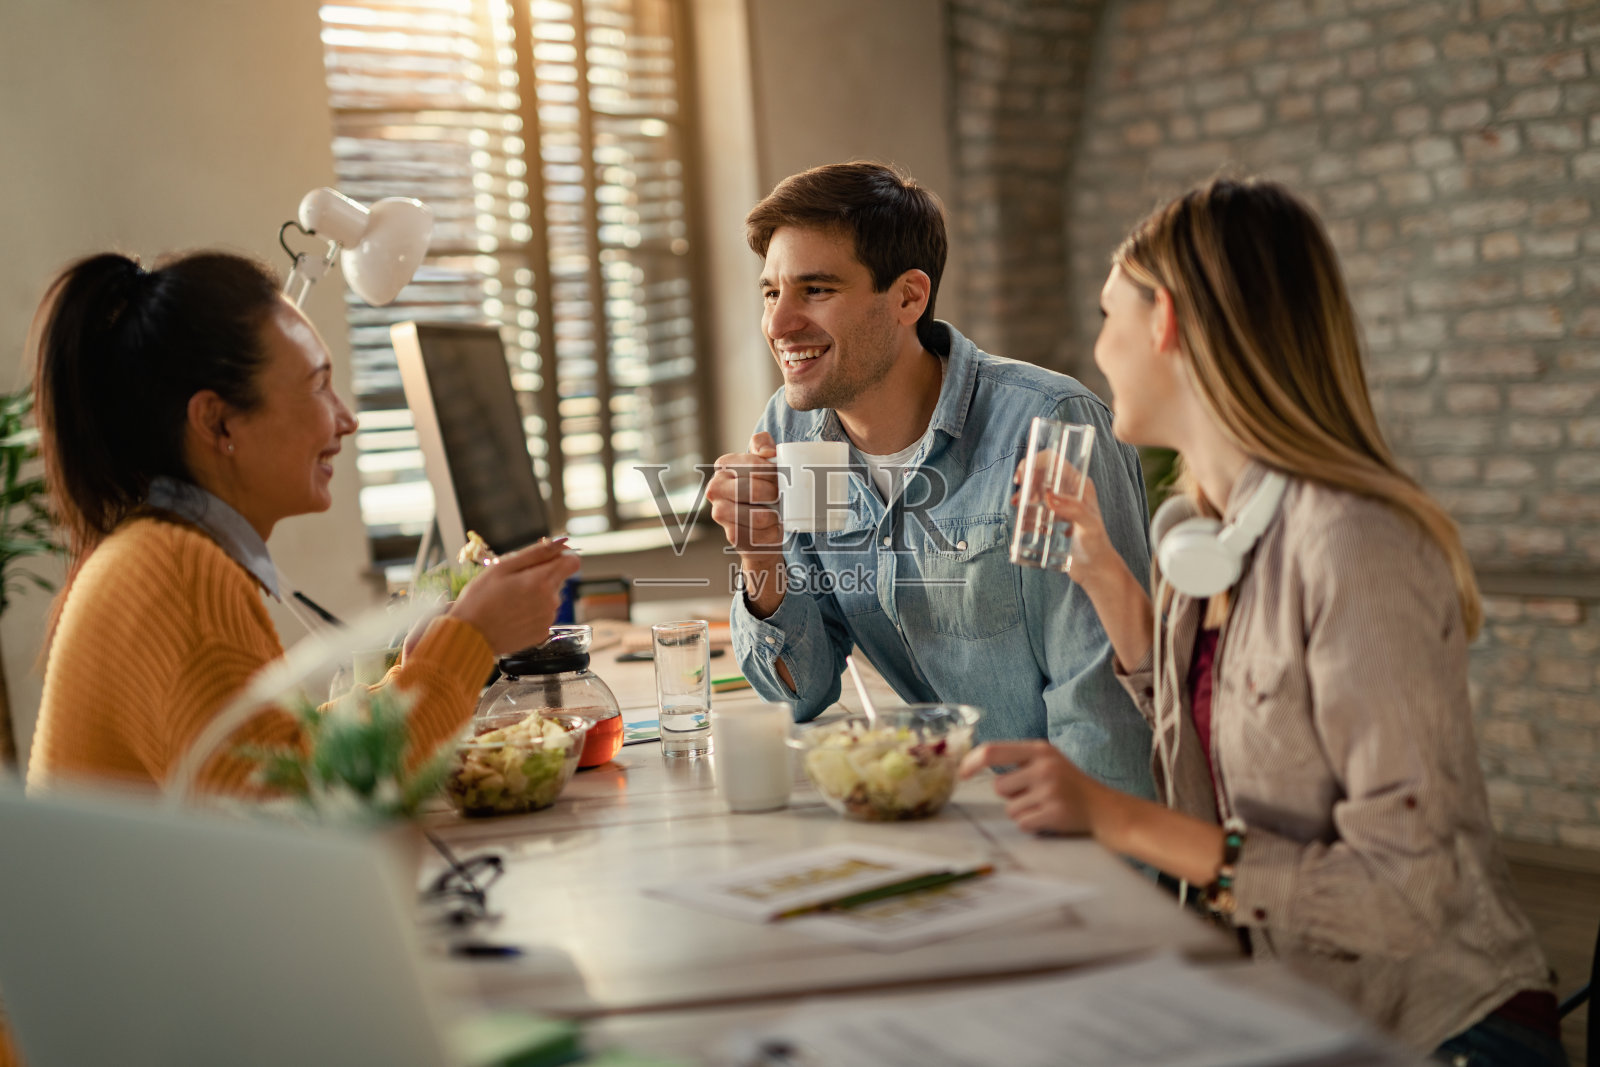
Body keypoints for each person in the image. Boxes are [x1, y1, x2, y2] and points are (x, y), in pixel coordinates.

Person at [959, 178, 1561, 1063]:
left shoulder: (1354, 546)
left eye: (1106, 312)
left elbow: (1403, 891)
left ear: (1164, 320)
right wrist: (1100, 570)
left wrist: (1113, 818)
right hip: (1284, 1007)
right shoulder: (1205, 532)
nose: (1096, 346)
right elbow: (1215, 719)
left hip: (1436, 1030)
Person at [24, 250, 580, 795]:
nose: (347, 418)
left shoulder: (158, 550)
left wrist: (417, 669)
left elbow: (283, 751)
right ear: (218, 422)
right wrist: (471, 642)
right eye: (317, 385)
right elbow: (299, 807)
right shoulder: (176, 568)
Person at [706, 161, 1155, 795]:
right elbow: (798, 694)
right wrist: (760, 556)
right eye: (772, 292)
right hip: (942, 811)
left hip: (1067, 834)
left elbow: (1103, 713)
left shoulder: (1046, 428)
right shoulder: (794, 433)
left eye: (817, 290)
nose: (778, 325)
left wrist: (1084, 883)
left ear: (909, 298)